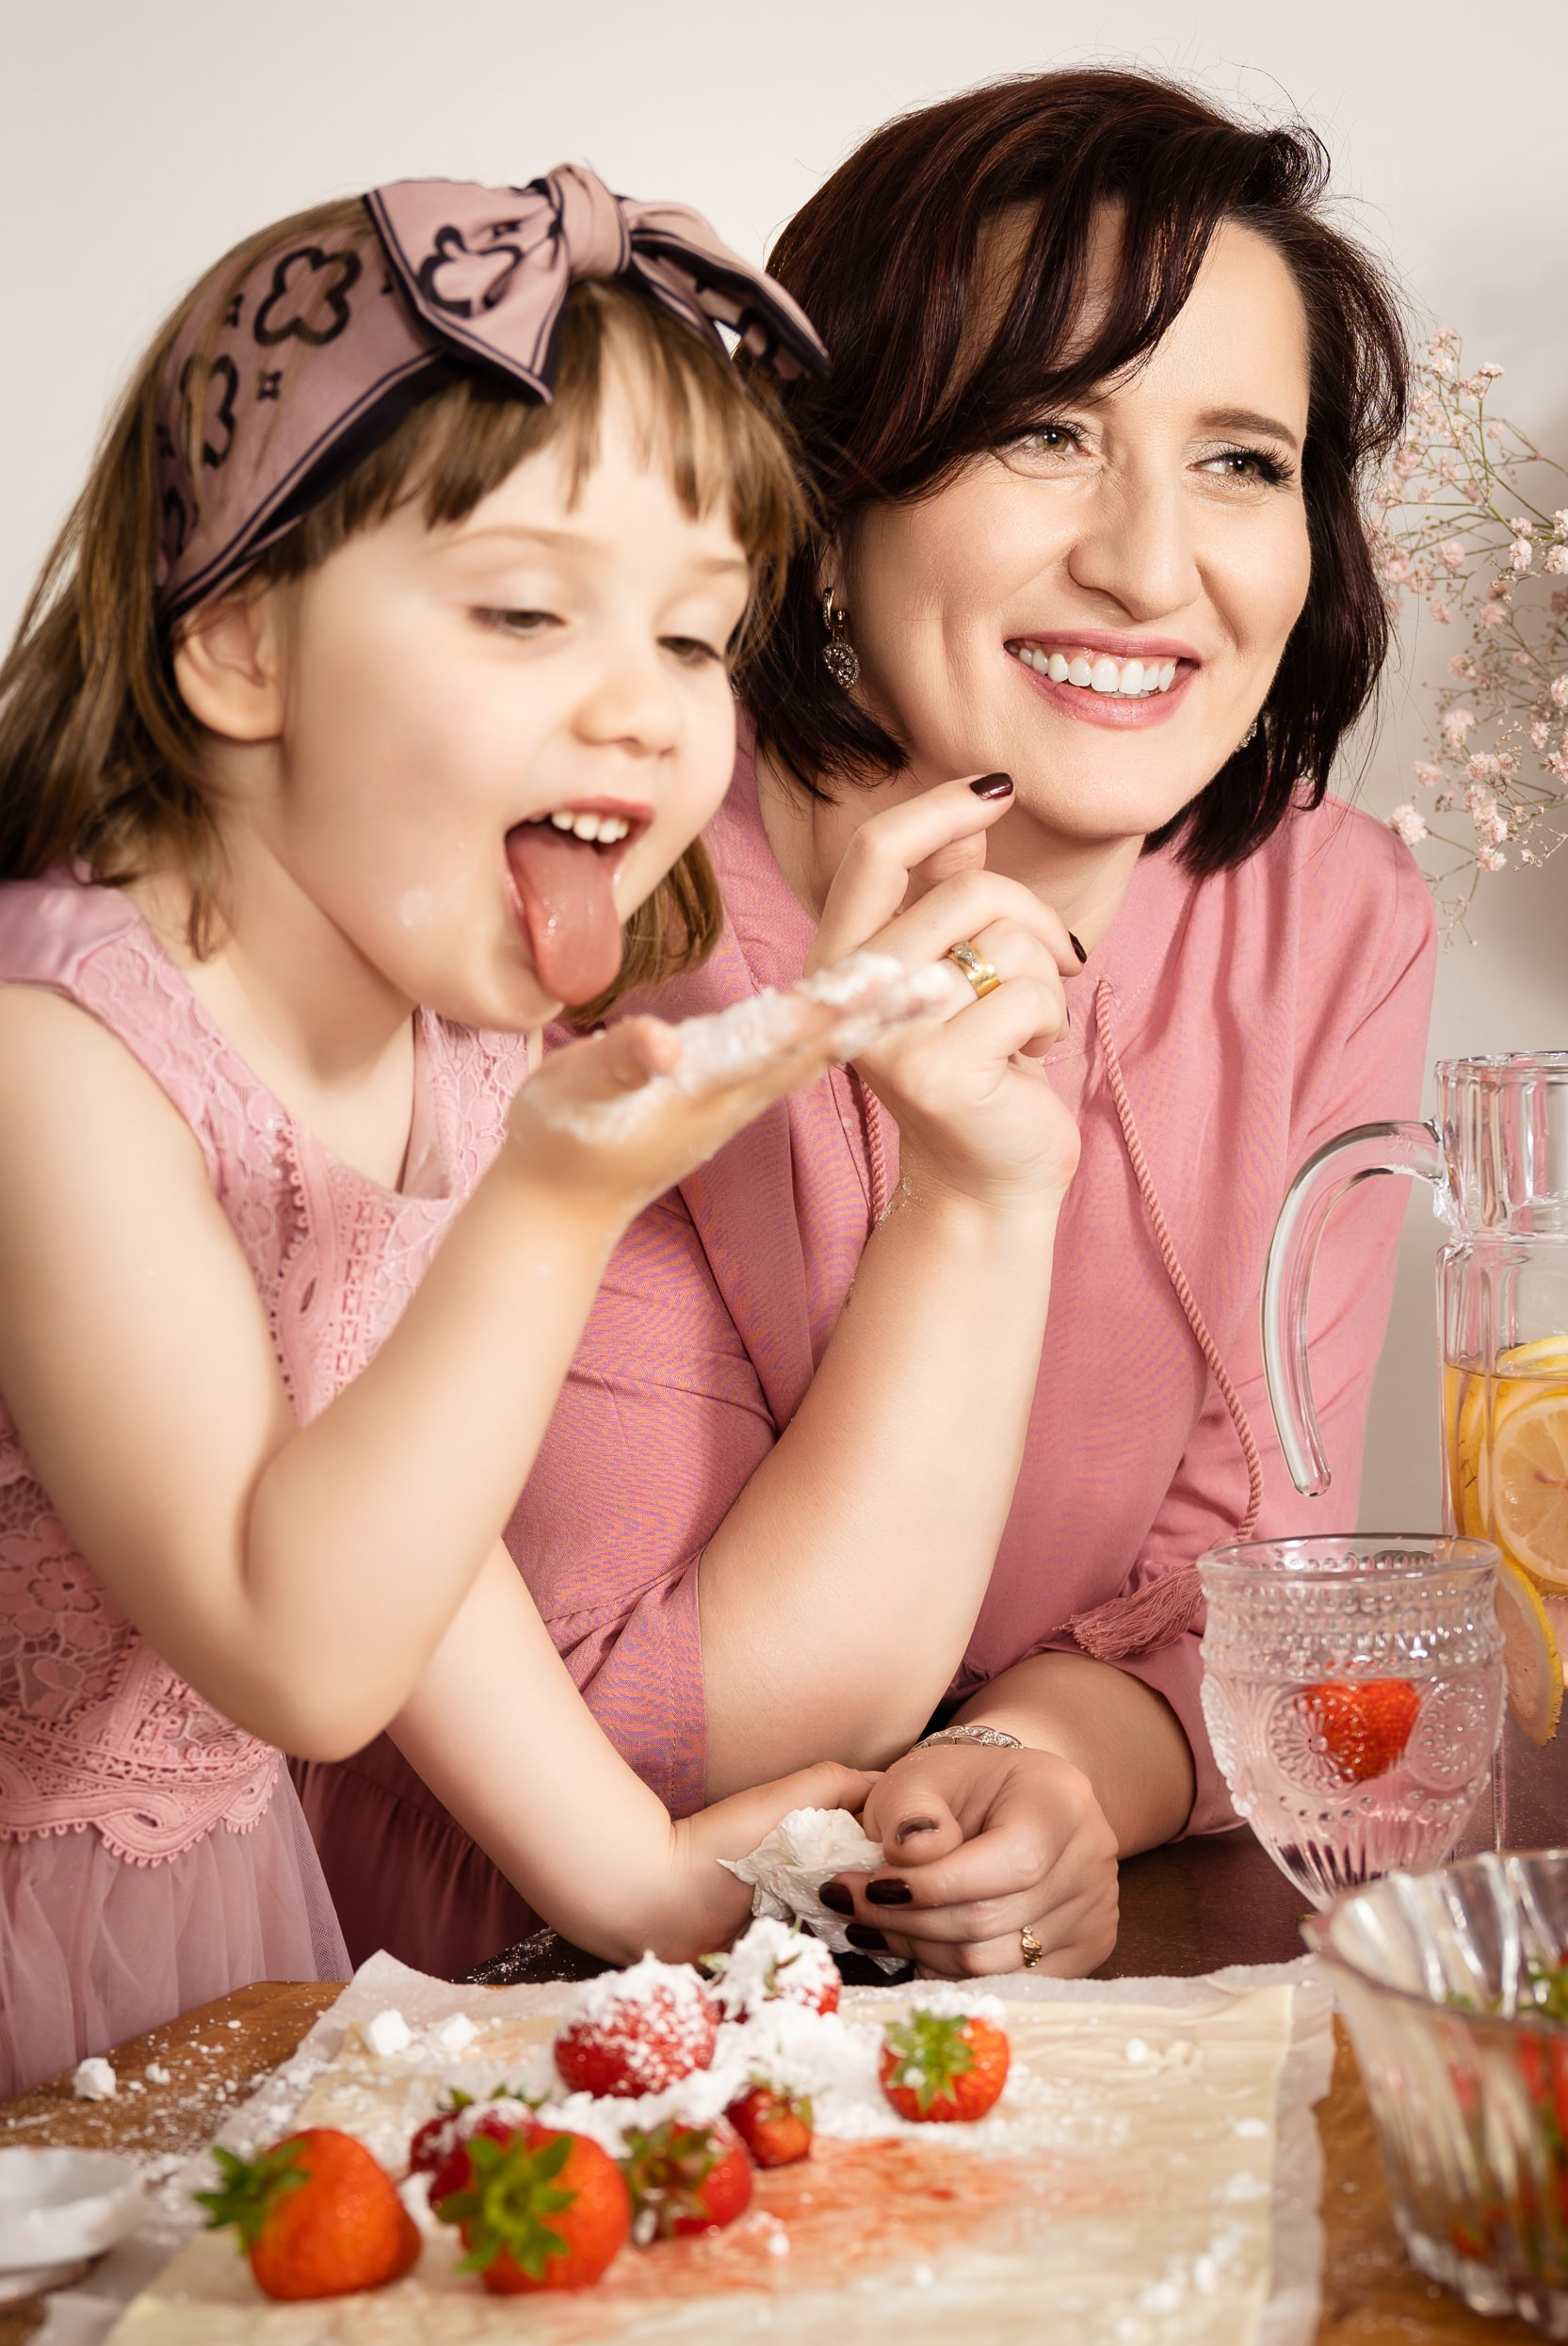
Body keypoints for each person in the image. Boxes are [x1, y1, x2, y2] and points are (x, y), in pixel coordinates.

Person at [299, 71, 1436, 1986]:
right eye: (1045, 431)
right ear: (834, 495)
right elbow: (669, 1733)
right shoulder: (596, 911)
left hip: (933, 2015)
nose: (1150, 564)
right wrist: (968, 1195)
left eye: (1242, 460)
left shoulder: (1323, 915)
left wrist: (1041, 1766)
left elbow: (1249, 1588)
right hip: (492, 1995)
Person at [0, 165, 909, 2095]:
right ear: (241, 645)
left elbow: (398, 1526)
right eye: (523, 611)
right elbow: (299, 1648)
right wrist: (551, 1213)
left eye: (695, 639)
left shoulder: (447, 1030)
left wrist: (639, 1875)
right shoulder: (53, 1059)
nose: (648, 713)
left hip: (194, 1907)